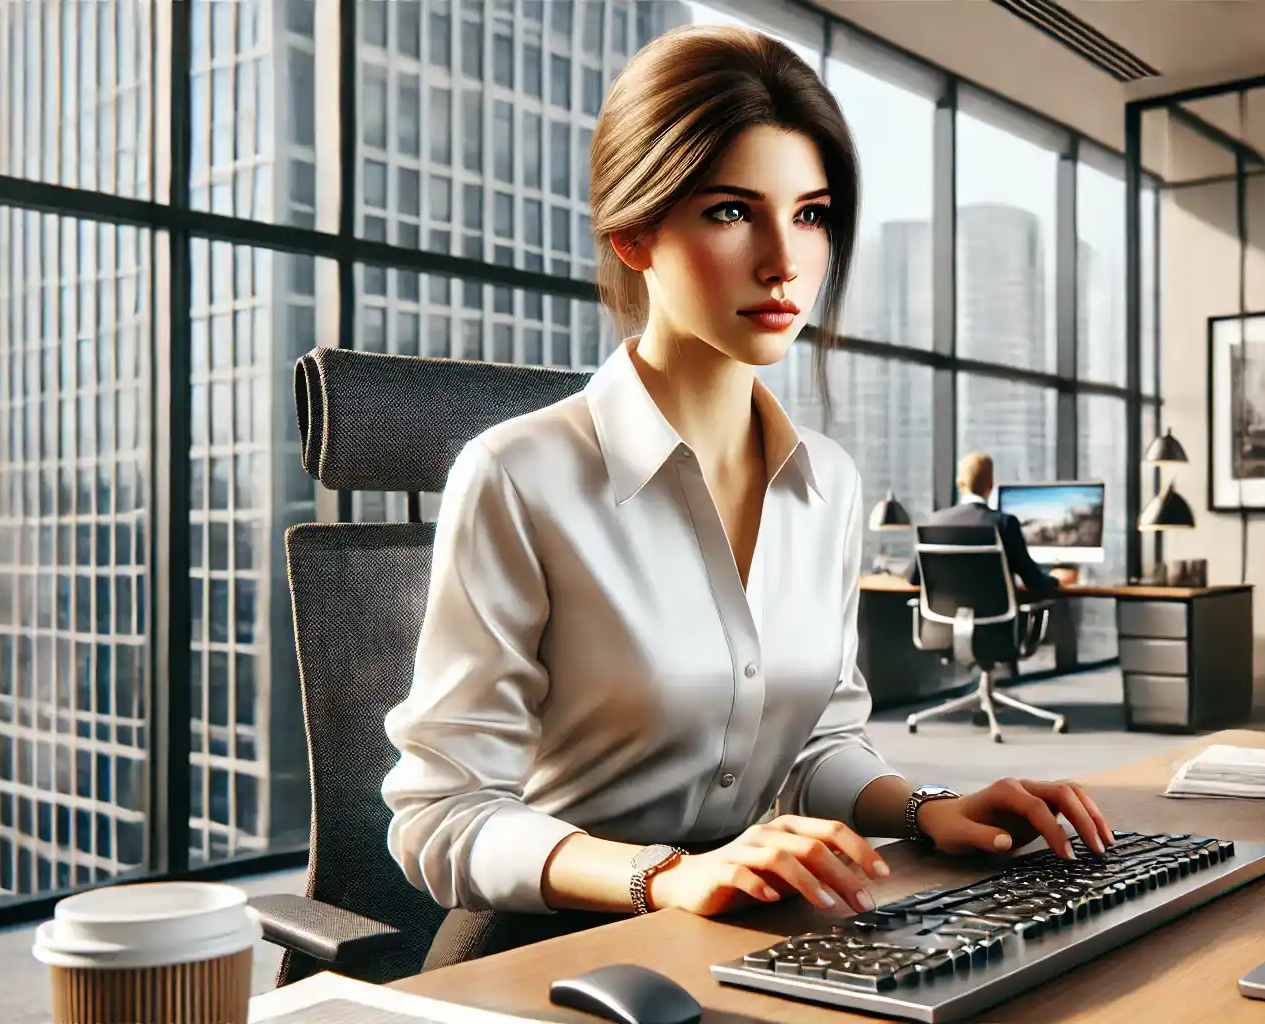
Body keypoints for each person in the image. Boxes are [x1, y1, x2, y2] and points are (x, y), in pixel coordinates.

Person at [380, 24, 1113, 971]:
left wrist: (933, 808)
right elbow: (441, 817)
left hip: (730, 931)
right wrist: (665, 875)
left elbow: (816, 747)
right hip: (538, 952)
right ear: (632, 232)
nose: (784, 262)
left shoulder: (830, 484)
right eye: (732, 212)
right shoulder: (520, 474)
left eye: (810, 215)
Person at [907, 452, 1074, 598]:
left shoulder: (933, 522)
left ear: (959, 484)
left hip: (941, 628)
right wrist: (1057, 579)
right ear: (991, 485)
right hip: (995, 630)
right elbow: (1034, 582)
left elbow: (913, 578)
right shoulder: (1005, 524)